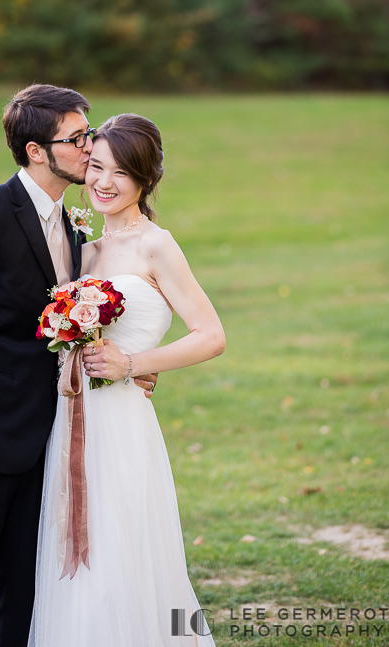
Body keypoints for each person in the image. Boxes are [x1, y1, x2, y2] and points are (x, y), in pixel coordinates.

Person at [0, 86, 157, 647]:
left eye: (87, 132)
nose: (89, 147)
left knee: (23, 610)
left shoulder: (73, 229)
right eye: (76, 139)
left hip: (46, 452)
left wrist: (128, 362)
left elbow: (69, 331)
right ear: (36, 151)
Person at [29, 114, 226, 646]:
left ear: (144, 179)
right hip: (69, 424)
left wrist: (135, 366)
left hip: (122, 425)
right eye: (95, 167)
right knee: (72, 556)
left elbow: (211, 335)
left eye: (121, 172)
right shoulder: (83, 250)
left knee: (123, 553)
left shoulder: (156, 245)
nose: (103, 182)